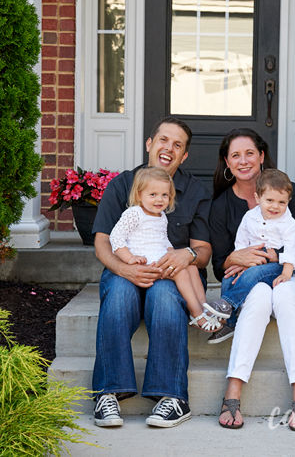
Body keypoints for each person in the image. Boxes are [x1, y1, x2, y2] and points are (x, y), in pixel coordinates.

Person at [90, 117, 212, 429]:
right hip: (128, 268)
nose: (168, 148)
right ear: (149, 144)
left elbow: (203, 250)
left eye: (177, 144)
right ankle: (108, 392)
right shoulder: (122, 185)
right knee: (117, 295)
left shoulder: (196, 190)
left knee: (165, 297)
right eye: (163, 140)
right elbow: (103, 240)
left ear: (184, 156)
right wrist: (123, 268)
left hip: (173, 274)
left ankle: (172, 397)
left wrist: (185, 255)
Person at [209, 128, 295, 431]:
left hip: (291, 278)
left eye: (249, 153)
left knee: (283, 295)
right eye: (235, 155)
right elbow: (221, 266)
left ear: (261, 156)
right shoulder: (220, 207)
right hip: (250, 285)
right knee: (258, 295)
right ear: (227, 163)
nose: (243, 161)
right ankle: (233, 391)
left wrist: (275, 257)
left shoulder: (286, 190)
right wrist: (236, 257)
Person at [109, 167, 220, 332]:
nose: (159, 199)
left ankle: (204, 308)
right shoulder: (134, 213)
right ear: (140, 195)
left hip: (159, 256)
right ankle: (196, 315)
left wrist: (171, 251)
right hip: (148, 264)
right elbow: (115, 237)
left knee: (192, 268)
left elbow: (163, 239)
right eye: (152, 194)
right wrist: (129, 259)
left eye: (164, 195)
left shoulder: (161, 216)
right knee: (181, 272)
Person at [203, 169, 295, 328]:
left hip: (276, 266)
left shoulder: (289, 224)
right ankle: (229, 324)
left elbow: (291, 251)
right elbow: (241, 241)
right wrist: (241, 262)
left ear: (288, 201)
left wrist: (286, 274)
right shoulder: (249, 217)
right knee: (229, 275)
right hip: (250, 260)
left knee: (253, 273)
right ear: (258, 198)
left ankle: (227, 303)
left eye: (282, 202)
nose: (275, 206)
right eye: (269, 200)